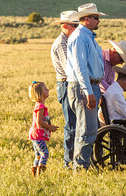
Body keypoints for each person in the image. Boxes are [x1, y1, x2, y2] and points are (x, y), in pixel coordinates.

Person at [65, 3, 106, 170]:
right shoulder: (80, 37)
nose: (98, 21)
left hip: (89, 86)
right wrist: (89, 92)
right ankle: (81, 168)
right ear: (86, 19)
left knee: (87, 128)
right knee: (87, 130)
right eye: (96, 18)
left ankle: (81, 164)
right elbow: (80, 68)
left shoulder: (87, 36)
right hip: (84, 87)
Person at [50, 10, 79, 169]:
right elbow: (69, 68)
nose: (77, 28)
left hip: (69, 83)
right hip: (66, 83)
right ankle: (68, 162)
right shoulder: (62, 43)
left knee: (76, 123)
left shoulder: (69, 40)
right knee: (71, 125)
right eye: (75, 25)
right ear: (66, 26)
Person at [28, 81, 59, 176]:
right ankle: (40, 174)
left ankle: (35, 173)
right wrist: (50, 127)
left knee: (38, 155)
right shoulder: (41, 107)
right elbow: (40, 122)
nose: (48, 90)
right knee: (45, 154)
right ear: (40, 93)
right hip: (38, 135)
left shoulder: (39, 106)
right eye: (45, 89)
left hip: (35, 134)